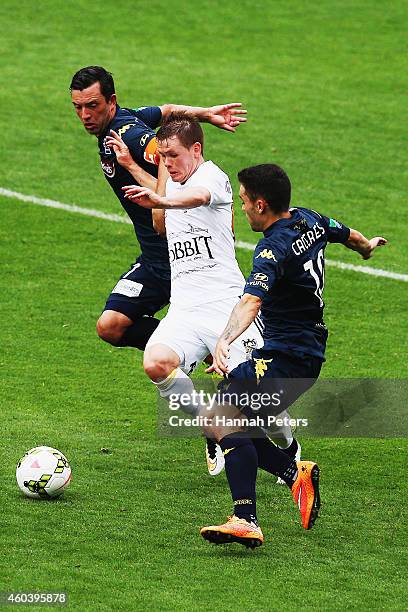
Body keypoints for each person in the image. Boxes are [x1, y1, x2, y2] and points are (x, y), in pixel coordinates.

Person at [198, 163, 387, 548]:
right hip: (300, 352)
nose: (242, 205)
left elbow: (251, 301)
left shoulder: (272, 247)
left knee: (220, 419)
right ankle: (292, 473)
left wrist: (224, 341)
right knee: (215, 420)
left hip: (288, 357)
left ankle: (247, 517)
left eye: (245, 199)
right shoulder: (309, 219)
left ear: (262, 204)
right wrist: (365, 246)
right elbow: (344, 232)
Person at [121, 114, 265, 474]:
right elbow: (161, 210)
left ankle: (289, 447)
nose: (167, 165)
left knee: (255, 401)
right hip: (184, 308)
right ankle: (214, 429)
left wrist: (162, 199)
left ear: (196, 150)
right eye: (162, 158)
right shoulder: (172, 180)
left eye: (173, 156)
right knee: (156, 362)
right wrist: (131, 168)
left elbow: (196, 198)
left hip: (224, 306)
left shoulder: (211, 177)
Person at [70, 65, 248, 351]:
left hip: (182, 257)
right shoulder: (128, 117)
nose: (85, 115)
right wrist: (206, 114)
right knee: (111, 326)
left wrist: (140, 170)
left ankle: (207, 351)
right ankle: (192, 347)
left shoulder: (126, 133)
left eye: (93, 106)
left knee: (238, 351)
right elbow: (166, 111)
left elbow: (163, 153)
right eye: (78, 107)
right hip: (153, 259)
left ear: (111, 101)